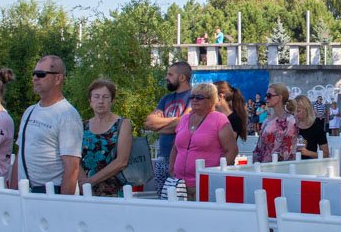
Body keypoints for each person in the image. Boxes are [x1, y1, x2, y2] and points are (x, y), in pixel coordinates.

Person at [15, 55, 83, 194]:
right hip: (26, 193)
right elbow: (19, 154)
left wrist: (61, 204)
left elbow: (72, 167)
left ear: (58, 78)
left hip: (51, 193)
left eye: (41, 74)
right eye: (34, 74)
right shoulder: (30, 111)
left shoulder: (67, 115)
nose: (35, 78)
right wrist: (13, 192)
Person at [169, 82, 238, 198]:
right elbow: (175, 147)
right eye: (192, 97)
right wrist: (171, 169)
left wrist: (216, 175)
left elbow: (232, 151)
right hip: (179, 183)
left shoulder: (219, 119)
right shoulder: (184, 119)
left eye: (199, 97)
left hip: (206, 183)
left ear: (211, 100)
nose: (194, 100)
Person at [144, 61, 193, 194]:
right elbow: (148, 123)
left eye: (170, 74)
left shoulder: (193, 97)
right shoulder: (166, 98)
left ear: (182, 77)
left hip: (181, 158)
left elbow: (186, 124)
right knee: (162, 196)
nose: (166, 78)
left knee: (181, 199)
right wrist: (176, 120)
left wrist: (159, 125)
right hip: (162, 156)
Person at [79, 79, 132, 196]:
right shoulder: (83, 126)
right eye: (96, 96)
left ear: (112, 100)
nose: (100, 101)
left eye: (105, 97)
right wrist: (84, 183)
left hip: (113, 189)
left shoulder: (123, 124)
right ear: (90, 101)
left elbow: (122, 161)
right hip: (85, 189)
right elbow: (75, 157)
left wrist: (90, 181)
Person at [253, 83, 299, 162]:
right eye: (266, 95)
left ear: (280, 97)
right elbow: (259, 148)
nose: (266, 98)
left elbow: (288, 151)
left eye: (269, 95)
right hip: (262, 170)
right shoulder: (266, 122)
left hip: (281, 170)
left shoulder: (290, 121)